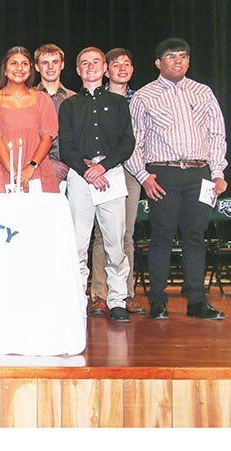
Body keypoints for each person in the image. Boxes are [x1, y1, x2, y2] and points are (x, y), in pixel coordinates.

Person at [125, 37, 228, 320]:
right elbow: (134, 142)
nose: (178, 60)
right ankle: (157, 301)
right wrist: (144, 176)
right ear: (158, 63)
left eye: (183, 55)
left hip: (200, 174)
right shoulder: (145, 96)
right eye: (171, 56)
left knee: (196, 237)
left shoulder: (203, 92)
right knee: (162, 237)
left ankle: (197, 300)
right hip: (163, 174)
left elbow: (217, 133)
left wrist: (218, 172)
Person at [59, 46, 135, 322]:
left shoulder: (119, 104)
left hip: (111, 174)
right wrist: (87, 170)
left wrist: (103, 166)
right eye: (84, 63)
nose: (90, 67)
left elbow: (128, 142)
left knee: (115, 241)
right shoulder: (69, 106)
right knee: (78, 243)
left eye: (95, 62)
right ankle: (78, 301)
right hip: (79, 176)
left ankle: (117, 300)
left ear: (105, 69)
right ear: (77, 70)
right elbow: (65, 147)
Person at [89, 48, 145, 316]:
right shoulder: (94, 99)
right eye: (115, 64)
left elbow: (137, 140)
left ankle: (125, 294)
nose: (122, 68)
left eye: (127, 64)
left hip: (131, 171)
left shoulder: (141, 98)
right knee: (102, 235)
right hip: (102, 172)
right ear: (105, 71)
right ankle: (99, 294)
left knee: (126, 235)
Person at [0, 46, 59, 193]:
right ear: (5, 70)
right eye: (13, 63)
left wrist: (30, 167)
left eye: (24, 64)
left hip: (37, 169)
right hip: (5, 170)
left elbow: (48, 137)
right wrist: (15, 173)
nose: (19, 68)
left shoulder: (42, 99)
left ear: (30, 69)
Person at [34, 43, 76, 184]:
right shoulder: (28, 98)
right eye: (45, 63)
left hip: (74, 168)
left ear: (62, 65)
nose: (50, 67)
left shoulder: (75, 99)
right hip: (38, 166)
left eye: (55, 62)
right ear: (37, 67)